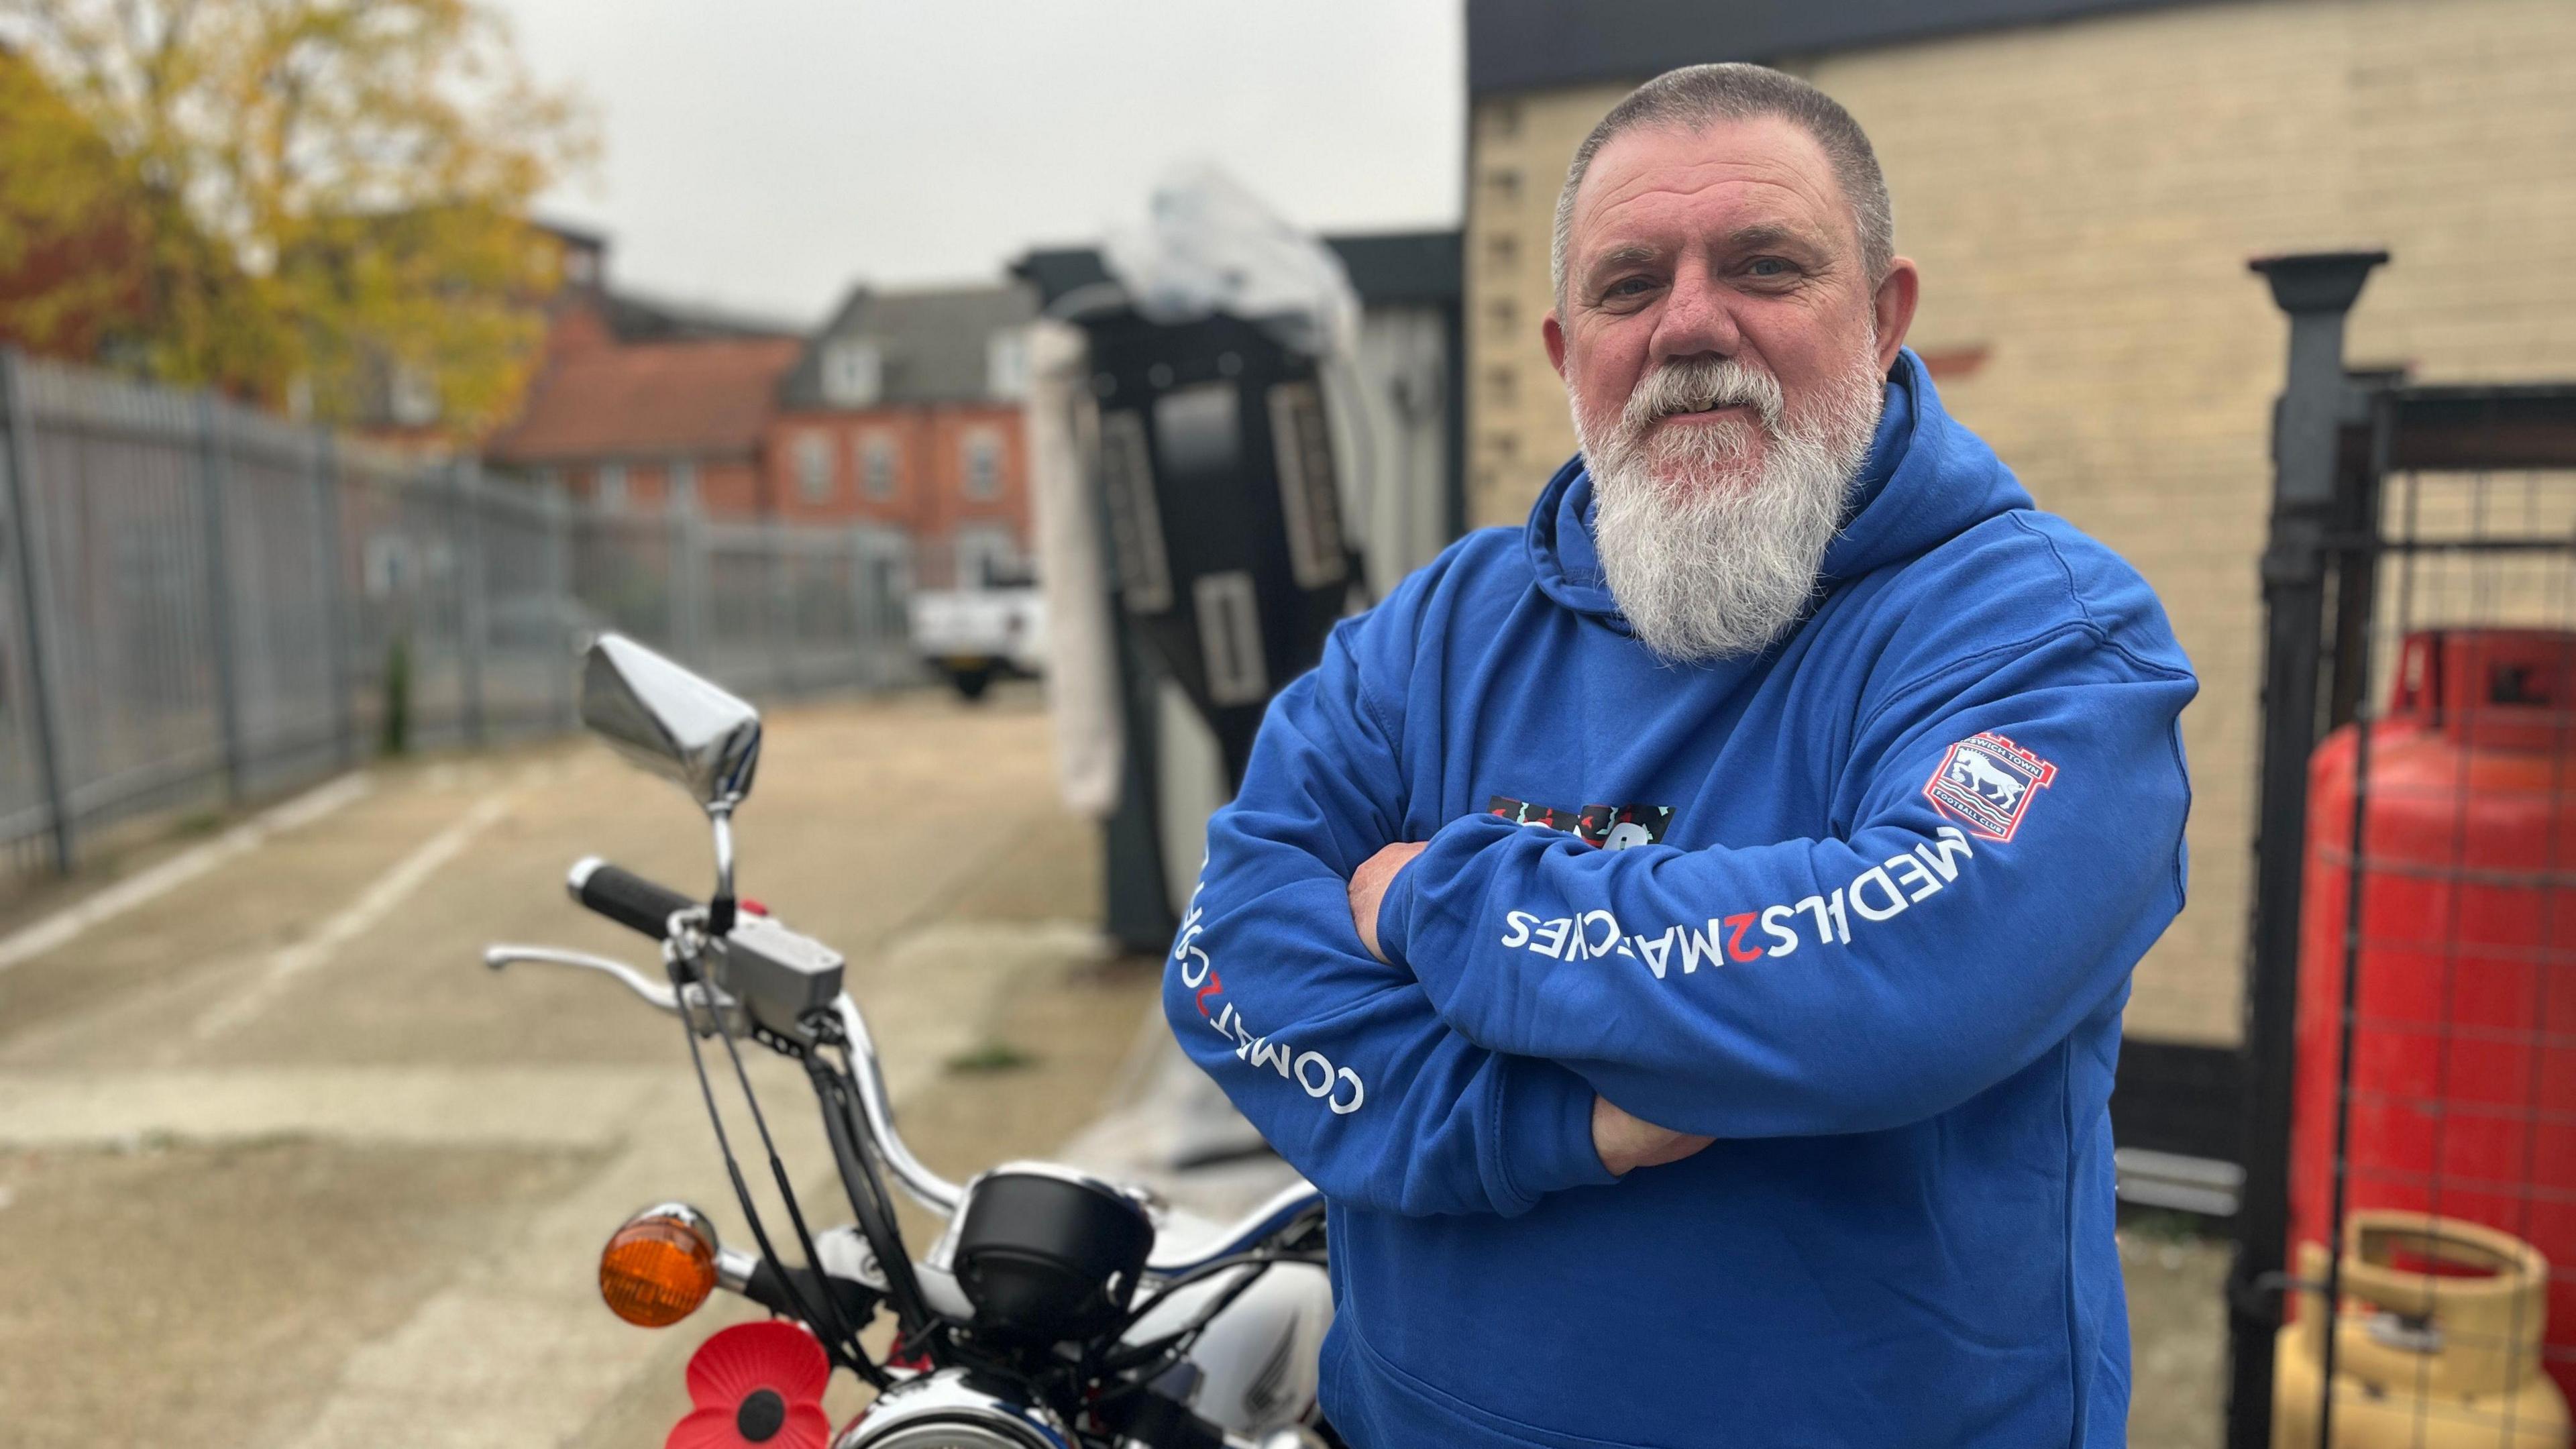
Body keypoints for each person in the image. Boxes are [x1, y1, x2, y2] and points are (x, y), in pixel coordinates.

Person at [1163, 62, 2193, 1448]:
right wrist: (1540, 1125)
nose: (1691, 324)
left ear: (1885, 316)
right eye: (1629, 284)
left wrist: (1428, 903)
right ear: (1562, 350)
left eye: (1764, 265)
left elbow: (1900, 976)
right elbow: (1228, 950)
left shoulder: (2043, 637)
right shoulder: (1435, 634)